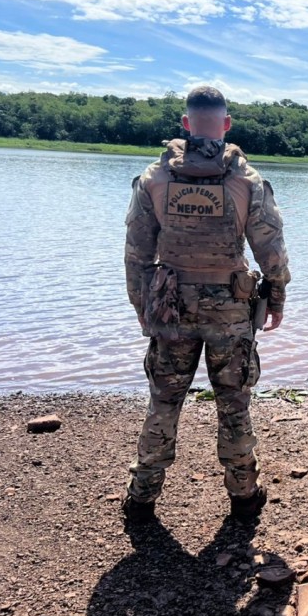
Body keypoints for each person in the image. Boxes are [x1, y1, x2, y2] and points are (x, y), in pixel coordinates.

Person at [122, 85, 291, 523]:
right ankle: (244, 495)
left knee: (164, 402)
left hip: (170, 307)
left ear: (185, 124)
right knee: (233, 403)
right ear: (227, 124)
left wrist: (142, 308)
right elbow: (270, 249)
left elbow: (136, 254)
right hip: (230, 310)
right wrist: (276, 296)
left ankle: (142, 496)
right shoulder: (246, 181)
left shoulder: (154, 179)